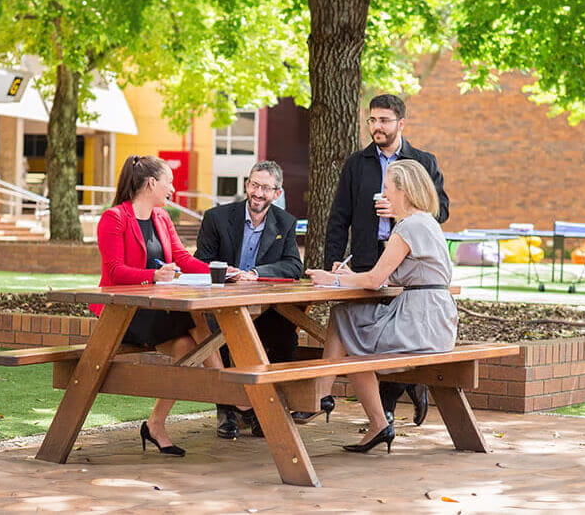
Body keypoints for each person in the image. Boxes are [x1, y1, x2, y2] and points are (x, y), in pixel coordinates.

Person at [307, 159, 459, 453]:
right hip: (432, 318)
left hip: (420, 322)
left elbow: (377, 279)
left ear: (404, 191)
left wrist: (331, 280)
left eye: (387, 189)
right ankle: (354, 412)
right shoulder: (424, 222)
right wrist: (350, 277)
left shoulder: (409, 227)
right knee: (347, 325)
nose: (383, 195)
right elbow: (384, 278)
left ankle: (323, 396)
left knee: (346, 326)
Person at [323, 93, 450, 425]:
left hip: (405, 266)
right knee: (357, 318)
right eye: (372, 120)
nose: (376, 127)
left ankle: (391, 399)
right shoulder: (357, 163)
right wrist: (334, 263)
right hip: (368, 259)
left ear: (401, 123)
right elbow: (339, 217)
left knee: (365, 330)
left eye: (383, 120)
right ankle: (369, 402)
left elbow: (442, 210)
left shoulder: (422, 162)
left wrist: (401, 216)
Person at [94, 154, 221, 457]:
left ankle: (156, 424)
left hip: (155, 311)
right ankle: (235, 392)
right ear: (151, 183)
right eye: (169, 182)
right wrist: (153, 275)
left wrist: (221, 270)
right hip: (123, 314)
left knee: (185, 347)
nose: (172, 189)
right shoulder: (114, 218)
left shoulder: (162, 218)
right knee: (198, 319)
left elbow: (183, 259)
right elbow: (113, 271)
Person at [194, 160, 303, 438]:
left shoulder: (285, 222)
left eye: (266, 188)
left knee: (283, 333)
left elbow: (293, 265)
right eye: (254, 185)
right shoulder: (217, 218)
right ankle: (227, 410)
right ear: (246, 185)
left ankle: (261, 408)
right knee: (222, 334)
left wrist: (256, 273)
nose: (258, 193)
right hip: (220, 301)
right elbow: (200, 262)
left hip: (262, 304)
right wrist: (224, 271)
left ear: (276, 193)